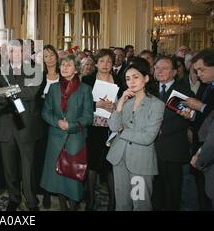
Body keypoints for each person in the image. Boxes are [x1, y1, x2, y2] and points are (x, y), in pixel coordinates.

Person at [106, 58, 165, 211]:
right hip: (119, 158)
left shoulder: (156, 104)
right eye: (127, 78)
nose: (131, 82)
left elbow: (147, 138)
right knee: (122, 203)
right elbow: (113, 126)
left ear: (146, 78)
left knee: (141, 204)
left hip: (140, 162)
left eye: (136, 77)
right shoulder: (125, 100)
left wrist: (122, 130)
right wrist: (119, 105)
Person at [0, 39, 43, 211]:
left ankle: (31, 200)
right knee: (9, 168)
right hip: (6, 125)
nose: (14, 54)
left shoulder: (35, 69)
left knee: (27, 167)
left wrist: (8, 91)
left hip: (26, 125)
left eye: (18, 51)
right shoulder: (0, 71)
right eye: (11, 51)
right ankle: (13, 198)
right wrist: (11, 93)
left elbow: (31, 92)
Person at [40, 54, 93, 211]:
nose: (64, 68)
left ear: (76, 70)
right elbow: (45, 112)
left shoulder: (85, 89)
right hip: (55, 138)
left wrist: (71, 125)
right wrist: (57, 122)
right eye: (62, 65)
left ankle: (74, 206)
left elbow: (88, 117)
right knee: (57, 178)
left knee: (72, 178)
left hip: (75, 139)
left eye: (68, 65)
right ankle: (63, 206)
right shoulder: (54, 88)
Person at [82, 49, 124, 211]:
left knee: (111, 165)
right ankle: (91, 200)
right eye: (102, 61)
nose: (105, 65)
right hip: (93, 128)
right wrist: (97, 105)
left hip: (112, 128)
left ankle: (113, 202)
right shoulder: (87, 80)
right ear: (96, 63)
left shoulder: (120, 80)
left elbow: (126, 102)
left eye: (109, 61)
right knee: (92, 164)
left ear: (112, 63)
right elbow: (82, 104)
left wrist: (117, 106)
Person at [152, 56, 193, 211]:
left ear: (175, 72)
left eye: (165, 68)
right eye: (157, 68)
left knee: (172, 190)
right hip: (153, 147)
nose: (159, 71)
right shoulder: (150, 89)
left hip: (173, 148)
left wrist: (160, 129)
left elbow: (185, 119)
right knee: (156, 188)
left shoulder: (183, 91)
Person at [181, 49, 214, 210]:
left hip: (209, 148)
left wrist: (201, 106)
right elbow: (202, 116)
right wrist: (192, 115)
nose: (198, 74)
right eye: (196, 70)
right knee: (202, 189)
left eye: (202, 70)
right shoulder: (205, 85)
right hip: (199, 140)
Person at [34, 44, 60, 209]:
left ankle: (55, 188)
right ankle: (43, 191)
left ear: (56, 57)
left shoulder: (64, 75)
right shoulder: (39, 76)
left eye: (51, 55)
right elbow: (35, 100)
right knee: (42, 156)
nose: (49, 59)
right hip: (42, 123)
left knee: (57, 157)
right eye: (46, 56)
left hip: (59, 122)